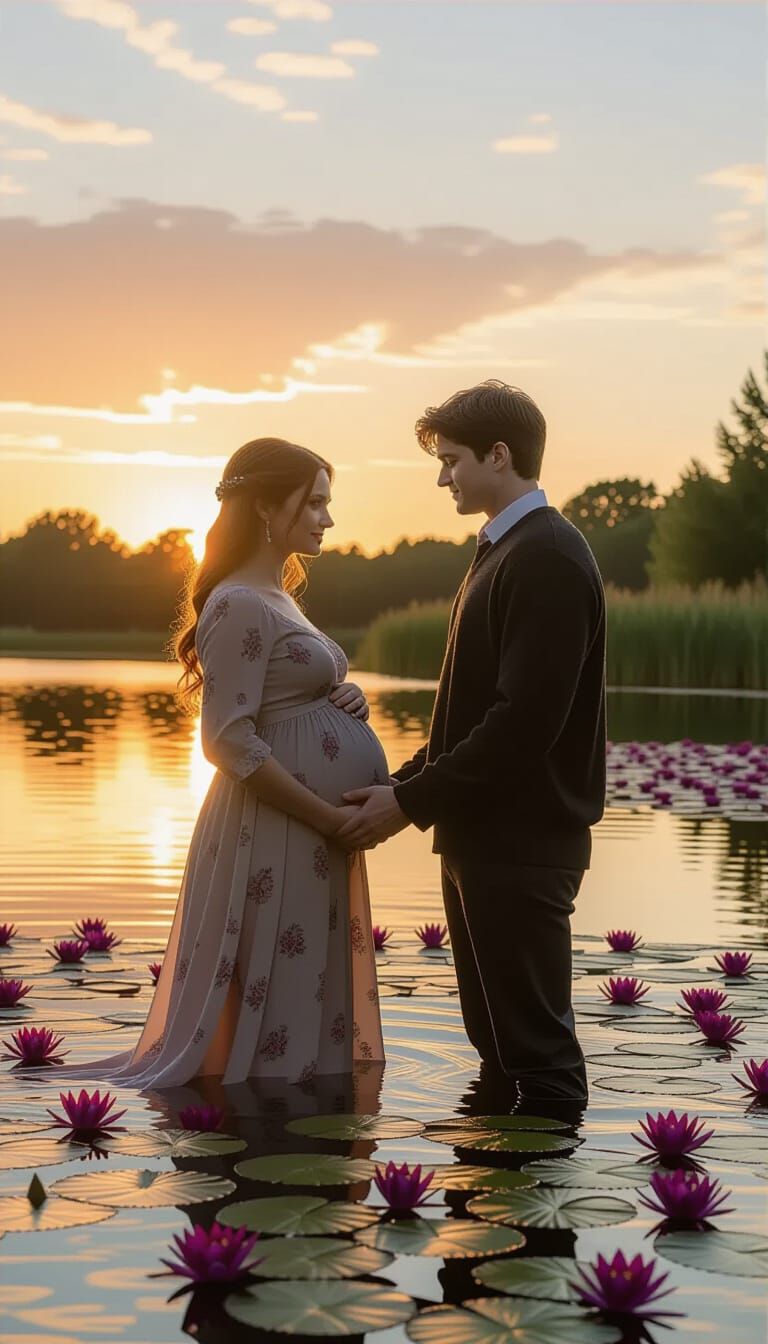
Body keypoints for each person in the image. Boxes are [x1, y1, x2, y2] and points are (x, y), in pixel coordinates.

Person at [58, 437, 386, 1088]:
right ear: (267, 506)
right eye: (315, 502)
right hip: (276, 830)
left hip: (311, 833)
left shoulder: (281, 596)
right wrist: (326, 816)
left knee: (302, 988)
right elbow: (227, 739)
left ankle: (292, 1099)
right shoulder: (238, 602)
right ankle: (261, 1123)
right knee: (269, 991)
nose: (327, 517)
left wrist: (342, 695)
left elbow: (283, 698)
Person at [339, 381, 607, 1109]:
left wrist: (411, 801)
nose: (441, 477)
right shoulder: (501, 550)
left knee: (538, 1060)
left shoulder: (546, 554)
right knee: (496, 1051)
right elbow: (469, 717)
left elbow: (525, 722)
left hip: (521, 844)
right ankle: (482, 1207)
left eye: (452, 460)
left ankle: (545, 1218)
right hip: (479, 838)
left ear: (499, 454)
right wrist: (402, 786)